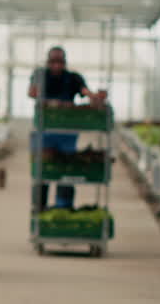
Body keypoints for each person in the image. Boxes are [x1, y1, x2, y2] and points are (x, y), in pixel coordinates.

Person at [28, 46, 107, 211]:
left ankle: (63, 207)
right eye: (53, 62)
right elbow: (32, 92)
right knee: (43, 171)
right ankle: (39, 208)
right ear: (47, 62)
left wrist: (96, 98)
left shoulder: (73, 78)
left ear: (65, 62)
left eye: (60, 62)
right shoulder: (39, 74)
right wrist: (46, 99)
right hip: (44, 133)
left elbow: (86, 92)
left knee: (65, 171)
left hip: (67, 135)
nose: (56, 65)